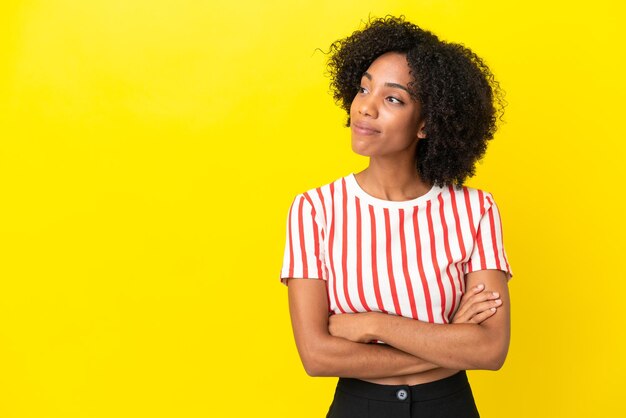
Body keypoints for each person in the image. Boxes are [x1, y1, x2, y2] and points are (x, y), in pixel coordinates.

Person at [279, 15, 512, 418]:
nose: (365, 107)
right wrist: (449, 340)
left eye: (393, 99)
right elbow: (317, 356)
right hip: (359, 407)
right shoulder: (315, 210)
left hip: (449, 407)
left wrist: (374, 325)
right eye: (364, 88)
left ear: (425, 123)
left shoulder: (475, 210)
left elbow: (490, 350)